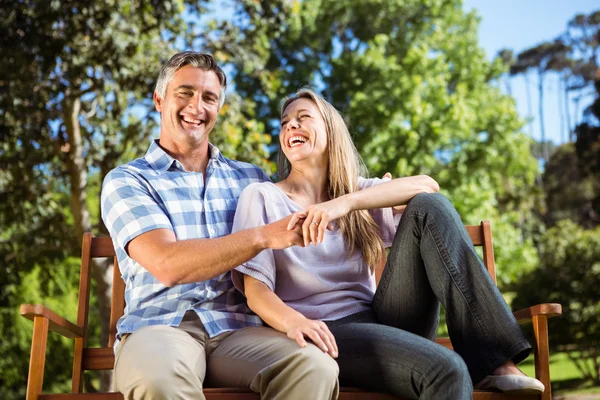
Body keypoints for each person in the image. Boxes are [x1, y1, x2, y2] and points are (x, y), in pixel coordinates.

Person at [231, 88, 546, 399]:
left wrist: (343, 204)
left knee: (429, 207)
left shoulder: (356, 193)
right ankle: (482, 364)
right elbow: (256, 293)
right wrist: (296, 324)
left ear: (331, 131)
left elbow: (428, 187)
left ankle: (495, 361)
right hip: (324, 330)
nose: (291, 126)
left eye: (303, 118)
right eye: (285, 122)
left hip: (381, 320)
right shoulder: (261, 196)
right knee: (448, 369)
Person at [100, 53, 339, 400]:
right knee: (159, 382)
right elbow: (167, 264)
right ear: (159, 99)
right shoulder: (129, 180)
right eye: (184, 93)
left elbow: (307, 198)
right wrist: (261, 237)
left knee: (314, 367)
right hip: (160, 327)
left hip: (240, 332)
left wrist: (362, 193)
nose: (196, 106)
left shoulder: (251, 179)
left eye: (209, 98)